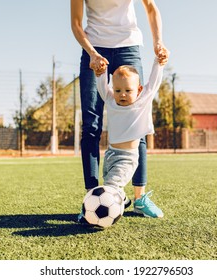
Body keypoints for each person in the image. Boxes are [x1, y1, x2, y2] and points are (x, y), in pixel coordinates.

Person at [70, 0, 169, 219]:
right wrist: (92, 53)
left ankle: (140, 199)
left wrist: (158, 42)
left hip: (128, 46)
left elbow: (151, 8)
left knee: (138, 122)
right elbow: (76, 24)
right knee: (91, 126)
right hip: (93, 48)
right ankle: (92, 199)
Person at [96, 56, 167, 218]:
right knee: (111, 182)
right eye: (118, 90)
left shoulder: (142, 102)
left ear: (139, 90)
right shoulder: (110, 100)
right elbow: (101, 85)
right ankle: (123, 199)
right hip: (110, 155)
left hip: (127, 158)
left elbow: (154, 82)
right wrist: (100, 72)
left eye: (128, 91)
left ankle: (100, 214)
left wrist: (158, 63)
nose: (122, 95)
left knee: (110, 186)